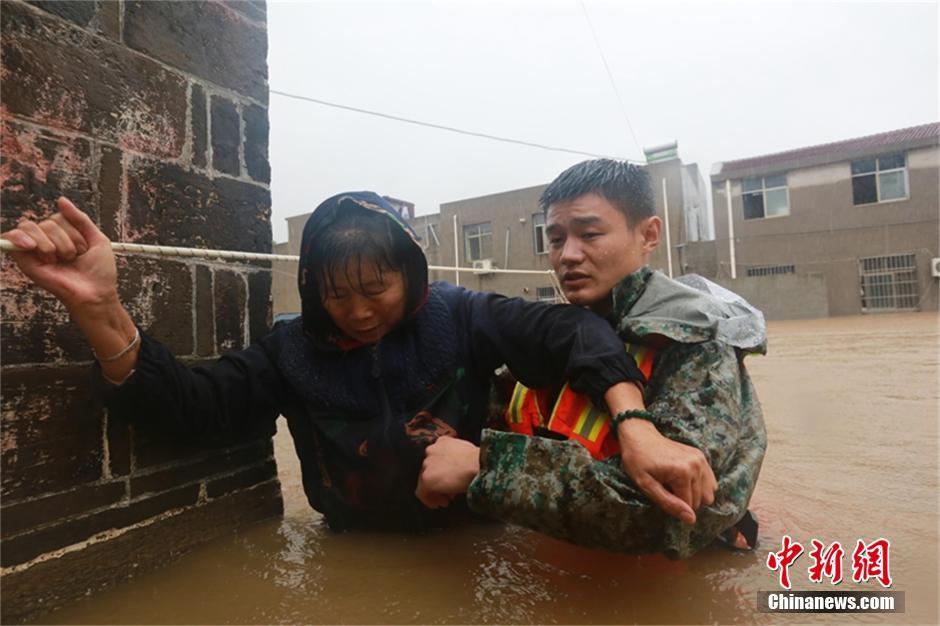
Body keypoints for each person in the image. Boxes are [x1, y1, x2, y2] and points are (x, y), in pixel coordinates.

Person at [2, 191, 715, 532]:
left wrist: (637, 427)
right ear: (314, 291)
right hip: (352, 544)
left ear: (411, 274)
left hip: (472, 537)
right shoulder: (291, 348)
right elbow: (190, 407)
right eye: (336, 294)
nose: (359, 311)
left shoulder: (463, 316)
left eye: (376, 289)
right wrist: (99, 308)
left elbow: (575, 336)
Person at [416, 160, 767, 558]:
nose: (568, 255)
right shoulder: (542, 338)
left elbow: (674, 516)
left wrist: (487, 468)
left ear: (648, 235)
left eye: (590, 234)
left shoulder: (694, 343)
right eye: (555, 239)